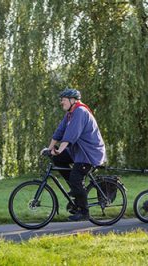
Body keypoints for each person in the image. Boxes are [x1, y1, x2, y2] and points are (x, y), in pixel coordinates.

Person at [47, 88, 106, 221]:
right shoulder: (70, 114)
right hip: (78, 152)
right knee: (57, 158)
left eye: (63, 100)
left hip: (90, 153)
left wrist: (60, 149)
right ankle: (75, 189)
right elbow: (59, 131)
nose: (61, 102)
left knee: (76, 177)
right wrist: (49, 149)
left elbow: (71, 135)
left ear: (72, 100)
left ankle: (84, 212)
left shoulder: (80, 111)